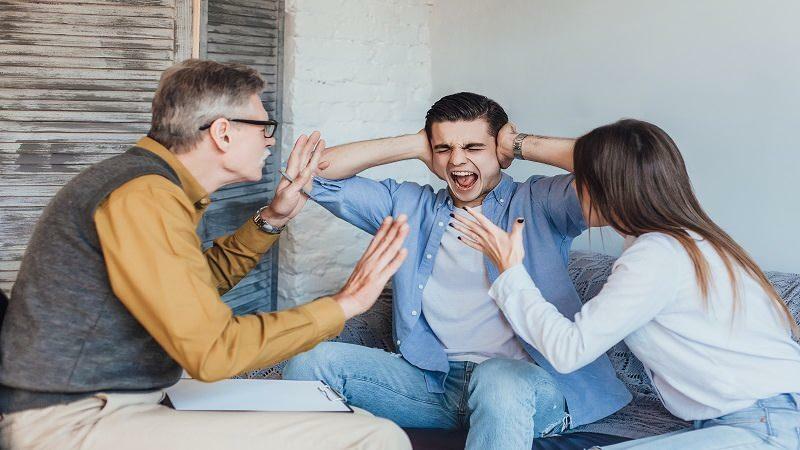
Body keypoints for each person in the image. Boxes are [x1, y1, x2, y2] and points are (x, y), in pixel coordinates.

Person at [0, 59, 412, 450]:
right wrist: (344, 305)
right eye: (264, 126)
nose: (271, 141)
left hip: (111, 397)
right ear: (222, 132)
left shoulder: (147, 184)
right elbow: (213, 352)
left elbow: (190, 288)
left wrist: (272, 219)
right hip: (74, 420)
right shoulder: (146, 196)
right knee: (374, 437)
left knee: (349, 416)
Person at [283, 92, 632, 449]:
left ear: (499, 151)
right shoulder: (410, 205)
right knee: (312, 362)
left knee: (498, 378)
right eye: (445, 149)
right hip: (435, 385)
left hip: (528, 384)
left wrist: (518, 143)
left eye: (474, 147)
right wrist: (417, 143)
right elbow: (314, 177)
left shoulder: (540, 201)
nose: (457, 161)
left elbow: (619, 171)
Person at [455, 118, 800, 449]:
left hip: (767, 426)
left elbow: (567, 350)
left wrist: (511, 270)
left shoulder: (656, 256)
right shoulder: (691, 240)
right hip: (765, 419)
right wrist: (515, 145)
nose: (574, 187)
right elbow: (622, 156)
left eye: (581, 179)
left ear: (607, 187)